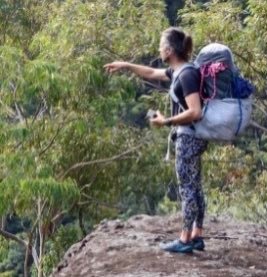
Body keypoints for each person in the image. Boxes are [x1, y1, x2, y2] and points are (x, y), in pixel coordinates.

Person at [104, 27, 207, 253]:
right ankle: (197, 235)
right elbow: (151, 73)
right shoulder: (179, 71)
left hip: (188, 138)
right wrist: (126, 65)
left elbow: (195, 111)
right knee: (195, 186)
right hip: (193, 136)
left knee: (187, 188)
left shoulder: (186, 75)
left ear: (169, 50)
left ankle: (185, 239)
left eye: (162, 45)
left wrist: (167, 121)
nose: (159, 48)